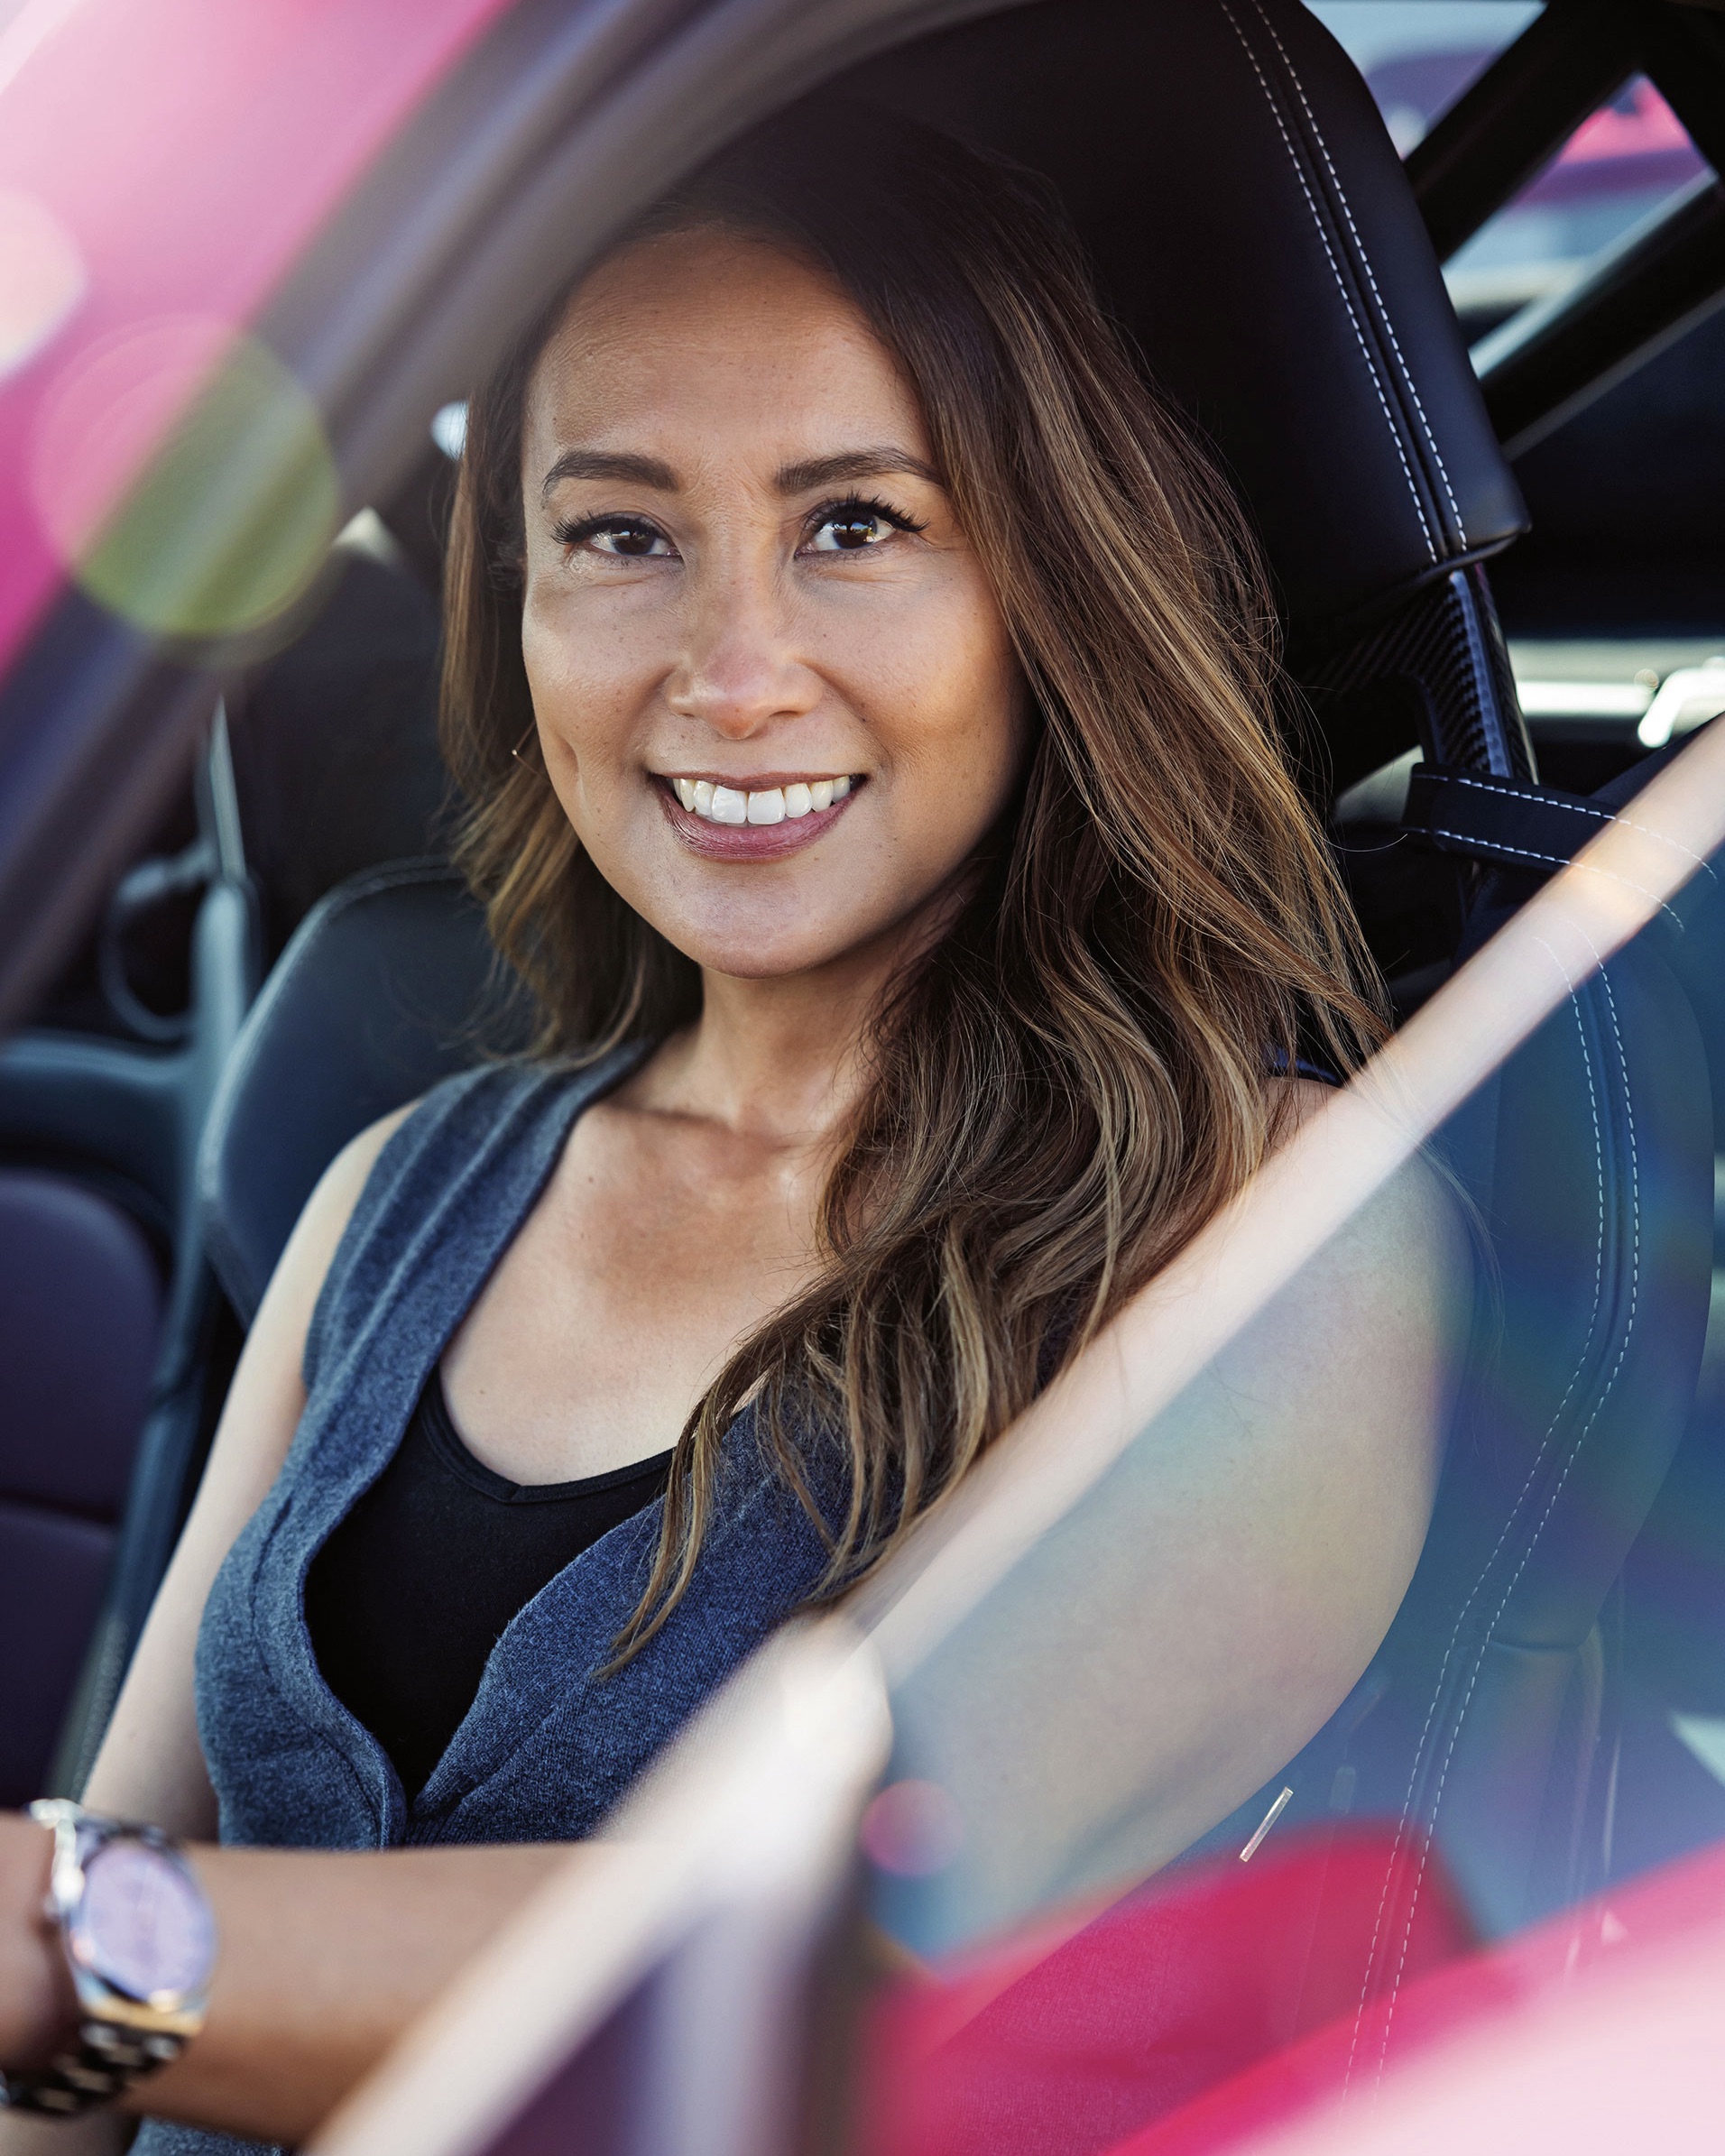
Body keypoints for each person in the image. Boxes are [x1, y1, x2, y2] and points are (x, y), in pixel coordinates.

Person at [0, 105, 1463, 2154]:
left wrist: (68, 1946)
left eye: (852, 523)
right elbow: (105, 1901)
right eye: (620, 534)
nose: (731, 669)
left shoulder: (1261, 1232)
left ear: (1044, 590)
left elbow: (801, 1970)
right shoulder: (394, 1192)